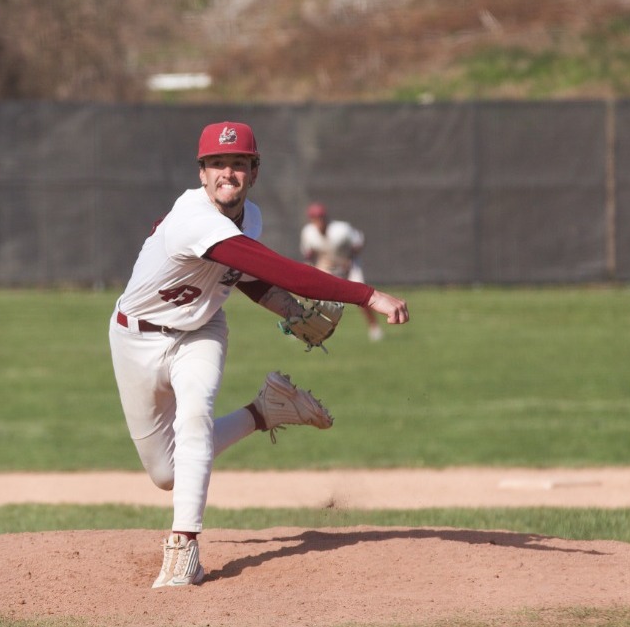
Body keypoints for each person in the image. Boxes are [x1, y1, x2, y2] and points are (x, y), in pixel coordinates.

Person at [111, 121, 409, 588]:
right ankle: (263, 411)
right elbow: (279, 270)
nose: (227, 173)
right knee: (166, 473)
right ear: (202, 172)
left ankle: (183, 546)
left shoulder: (250, 217)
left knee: (195, 418)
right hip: (136, 338)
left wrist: (288, 311)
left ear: (254, 170)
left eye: (238, 163)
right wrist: (366, 295)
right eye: (216, 164)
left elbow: (247, 276)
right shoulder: (194, 218)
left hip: (201, 332)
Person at [300, 200, 382, 342]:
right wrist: (310, 268)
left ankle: (374, 327)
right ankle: (305, 327)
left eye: (321, 217)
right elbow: (309, 253)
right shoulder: (308, 232)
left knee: (363, 295)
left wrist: (350, 259)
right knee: (309, 293)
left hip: (348, 262)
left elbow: (359, 241)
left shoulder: (341, 229)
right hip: (327, 263)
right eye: (315, 218)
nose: (319, 221)